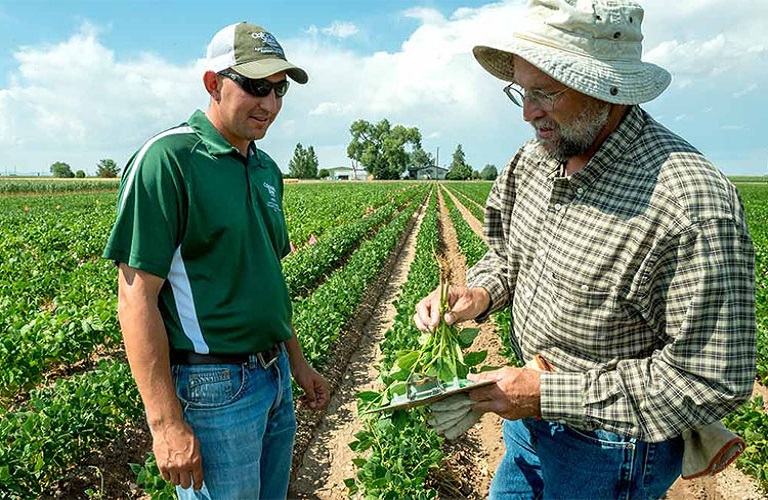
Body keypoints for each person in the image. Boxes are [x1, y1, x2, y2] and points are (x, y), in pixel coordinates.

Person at [414, 0, 756, 498]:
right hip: (527, 427)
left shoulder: (689, 204)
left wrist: (547, 394)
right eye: (522, 92)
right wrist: (479, 294)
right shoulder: (534, 159)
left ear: (606, 86)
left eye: (545, 93)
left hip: (611, 452)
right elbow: (507, 254)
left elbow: (708, 380)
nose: (529, 112)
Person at [103, 21, 329, 499]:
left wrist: (298, 363)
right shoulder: (168, 159)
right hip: (214, 390)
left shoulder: (265, 167)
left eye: (279, 90)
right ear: (213, 83)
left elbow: (266, 276)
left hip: (274, 379)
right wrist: (165, 424)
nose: (269, 104)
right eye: (255, 87)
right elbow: (135, 297)